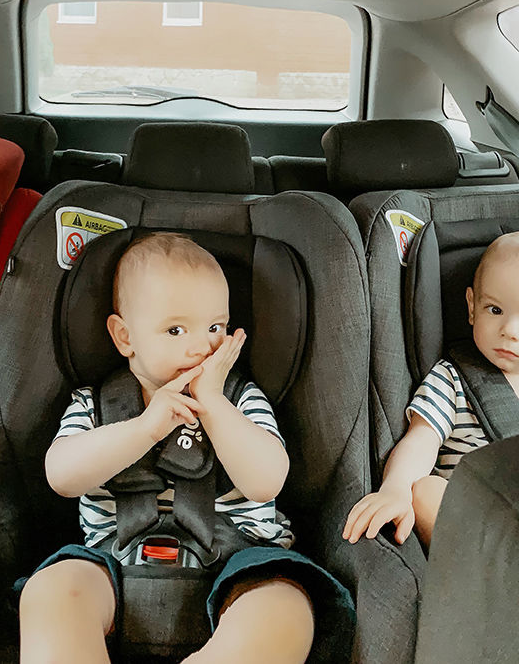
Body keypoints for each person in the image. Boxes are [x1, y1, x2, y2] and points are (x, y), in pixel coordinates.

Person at [18, 233, 353, 664]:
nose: (201, 347)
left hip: (239, 569)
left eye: (215, 328)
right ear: (125, 337)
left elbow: (266, 482)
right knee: (51, 591)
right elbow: (61, 476)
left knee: (285, 608)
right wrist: (144, 429)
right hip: (112, 568)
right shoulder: (94, 405)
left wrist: (213, 403)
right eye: (175, 330)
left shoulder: (240, 400)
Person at [343, 231, 519, 548]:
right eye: (495, 310)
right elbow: (420, 441)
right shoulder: (452, 379)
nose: (510, 331)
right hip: (485, 528)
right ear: (472, 307)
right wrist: (396, 487)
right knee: (426, 492)